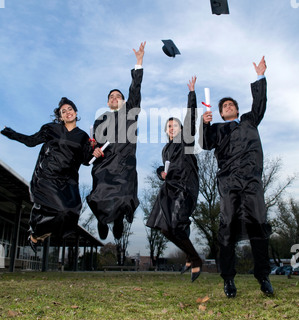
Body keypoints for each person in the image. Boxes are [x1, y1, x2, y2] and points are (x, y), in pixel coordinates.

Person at [201, 57, 273, 297]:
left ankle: (263, 276)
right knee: (228, 230)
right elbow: (204, 143)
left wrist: (260, 77)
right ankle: (228, 279)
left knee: (259, 227)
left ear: (238, 109)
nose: (228, 106)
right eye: (225, 106)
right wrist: (204, 124)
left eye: (232, 104)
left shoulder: (249, 122)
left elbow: (260, 103)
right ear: (220, 113)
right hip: (229, 183)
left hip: (252, 182)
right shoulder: (217, 130)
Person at [1, 97, 95, 253]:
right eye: (63, 111)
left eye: (70, 109)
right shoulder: (51, 129)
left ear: (76, 112)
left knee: (71, 211)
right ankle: (35, 229)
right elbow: (31, 141)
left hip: (68, 181)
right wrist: (10, 132)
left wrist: (94, 150)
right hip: (47, 176)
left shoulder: (83, 136)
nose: (67, 112)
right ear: (60, 117)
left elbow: (86, 160)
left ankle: (39, 235)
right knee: (59, 209)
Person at [87, 42, 145, 240]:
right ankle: (102, 220)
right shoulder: (99, 120)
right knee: (99, 197)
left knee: (123, 198)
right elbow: (93, 144)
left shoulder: (130, 113)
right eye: (111, 96)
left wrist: (139, 62)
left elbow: (135, 91)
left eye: (118, 96)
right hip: (104, 165)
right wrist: (93, 151)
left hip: (125, 164)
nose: (115, 98)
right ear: (107, 102)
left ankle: (118, 220)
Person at [146, 76, 202, 282]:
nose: (172, 128)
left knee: (176, 224)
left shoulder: (185, 141)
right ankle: (190, 255)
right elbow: (164, 167)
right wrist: (160, 171)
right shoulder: (165, 149)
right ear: (166, 131)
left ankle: (196, 259)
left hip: (185, 186)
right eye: (169, 126)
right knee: (164, 227)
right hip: (169, 189)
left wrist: (192, 94)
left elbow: (192, 119)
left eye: (175, 125)